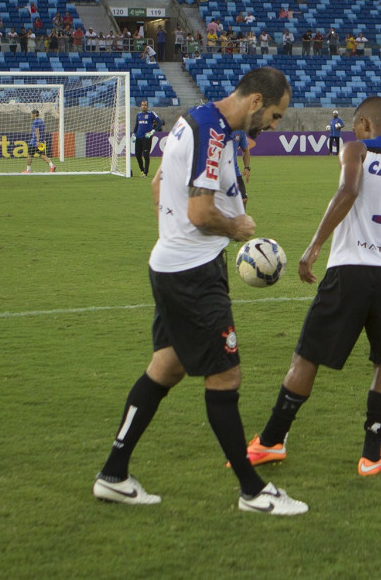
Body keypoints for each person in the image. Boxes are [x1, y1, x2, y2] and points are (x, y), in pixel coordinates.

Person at [92, 66, 307, 515]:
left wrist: (174, 234)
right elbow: (199, 212)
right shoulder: (210, 133)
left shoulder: (198, 122)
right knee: (225, 375)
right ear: (255, 102)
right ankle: (253, 492)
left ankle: (113, 474)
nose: (273, 126)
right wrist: (235, 228)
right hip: (192, 275)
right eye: (275, 116)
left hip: (176, 265)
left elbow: (157, 187)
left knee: (166, 368)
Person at [245, 96, 381, 476]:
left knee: (307, 357)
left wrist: (313, 247)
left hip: (350, 270)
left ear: (363, 124)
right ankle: (372, 456)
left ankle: (271, 442)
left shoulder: (356, 149)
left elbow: (347, 192)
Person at [132, 100, 165, 178]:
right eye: (142, 105)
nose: (144, 106)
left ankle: (145, 173)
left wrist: (152, 131)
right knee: (137, 155)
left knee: (146, 155)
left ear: (148, 106)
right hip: (139, 137)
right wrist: (134, 134)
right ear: (141, 106)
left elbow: (159, 123)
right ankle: (142, 170)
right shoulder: (139, 115)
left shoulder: (151, 114)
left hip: (147, 137)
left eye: (145, 105)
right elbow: (137, 125)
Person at [23, 109, 56, 174]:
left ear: (34, 114)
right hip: (41, 141)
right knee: (42, 155)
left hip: (35, 142)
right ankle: (52, 166)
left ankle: (28, 170)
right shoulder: (41, 121)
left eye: (31, 114)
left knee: (29, 155)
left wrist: (37, 141)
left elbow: (37, 132)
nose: (31, 116)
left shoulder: (35, 122)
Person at [232, 129, 251, 204]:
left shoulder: (240, 131)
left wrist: (246, 168)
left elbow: (246, 150)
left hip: (235, 172)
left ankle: (242, 215)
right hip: (218, 172)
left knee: (243, 199)